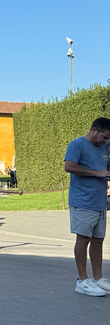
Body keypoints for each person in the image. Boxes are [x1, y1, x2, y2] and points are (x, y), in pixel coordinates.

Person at [64, 117, 110, 297]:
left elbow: (106, 167)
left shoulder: (105, 147)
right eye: (104, 137)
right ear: (94, 130)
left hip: (99, 202)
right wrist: (96, 173)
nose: (106, 141)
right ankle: (82, 281)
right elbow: (69, 166)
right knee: (83, 239)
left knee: (98, 239)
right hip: (82, 201)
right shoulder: (77, 144)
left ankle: (98, 278)